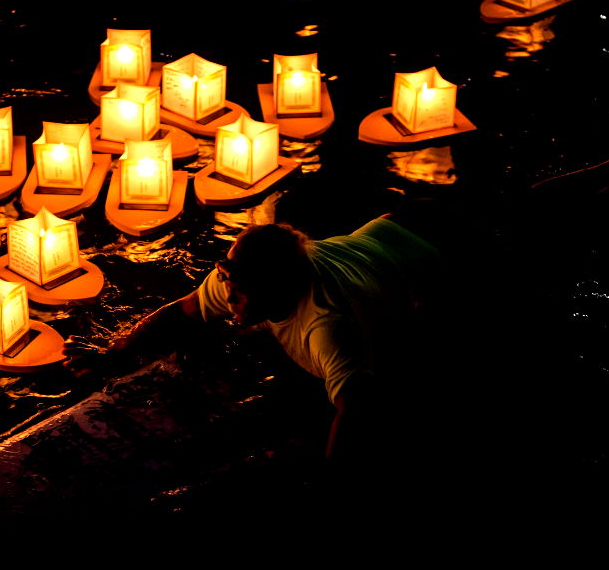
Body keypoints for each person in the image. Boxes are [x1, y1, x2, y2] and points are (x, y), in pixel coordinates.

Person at [65, 210, 446, 501]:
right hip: (385, 227)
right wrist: (112, 356)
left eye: (242, 292)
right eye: (228, 280)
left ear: (278, 290)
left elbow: (357, 409)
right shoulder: (238, 278)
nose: (228, 298)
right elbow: (184, 311)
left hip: (435, 262)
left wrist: (325, 488)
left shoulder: (326, 326)